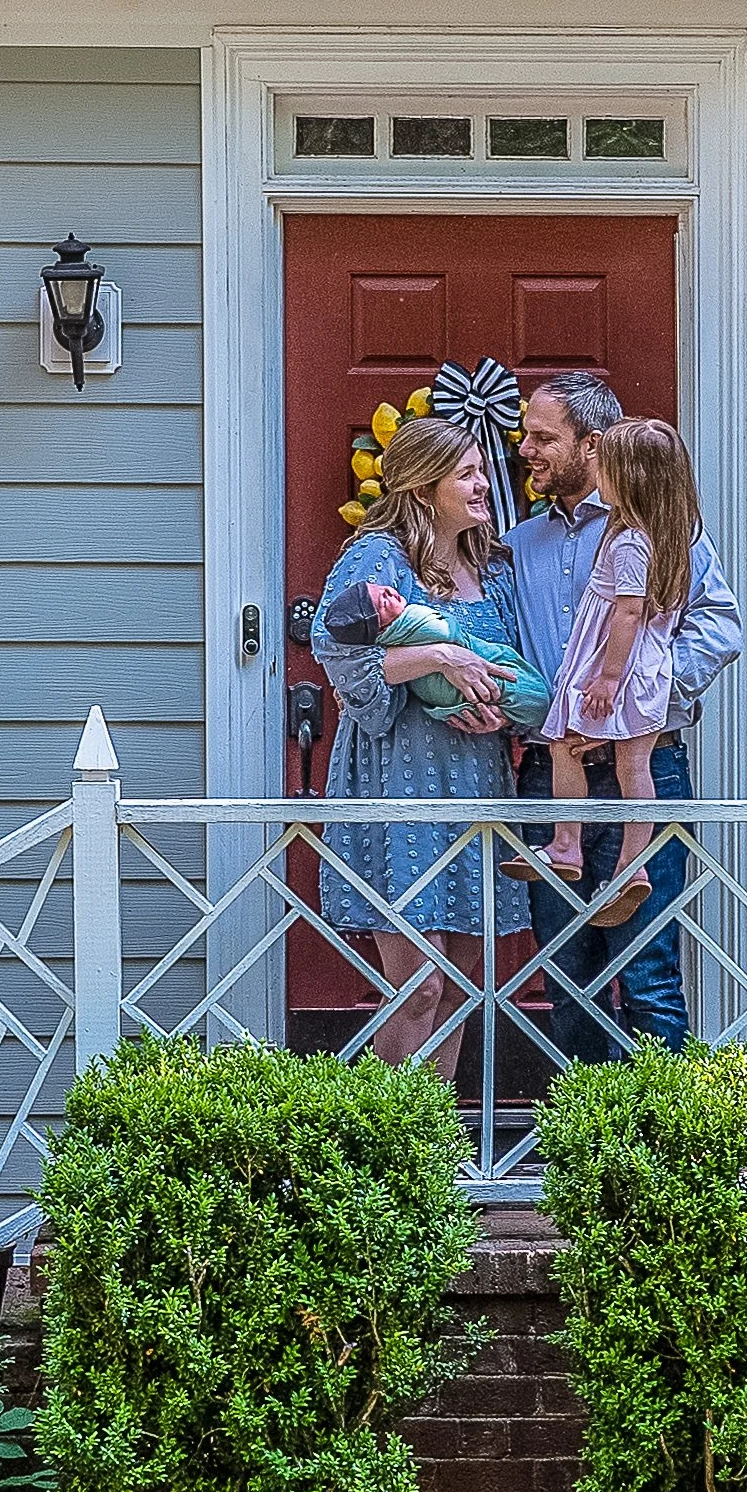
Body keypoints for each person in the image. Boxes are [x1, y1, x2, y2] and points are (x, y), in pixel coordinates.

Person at [508, 372, 743, 1061]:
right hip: (554, 778)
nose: (526, 449)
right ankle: (581, 1142)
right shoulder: (520, 546)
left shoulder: (660, 529)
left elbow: (720, 628)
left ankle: (658, 1148)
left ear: (593, 444)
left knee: (647, 971)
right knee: (564, 969)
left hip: (646, 764)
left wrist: (637, 705)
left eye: (543, 436)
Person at [310, 416, 531, 1075]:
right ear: (424, 483)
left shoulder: (492, 566)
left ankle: (437, 1152)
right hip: (399, 782)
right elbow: (335, 645)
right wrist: (437, 653)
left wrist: (496, 708)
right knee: (420, 985)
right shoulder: (377, 557)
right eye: (468, 473)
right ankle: (384, 1147)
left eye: (483, 470)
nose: (484, 483)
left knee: (458, 989)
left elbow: (510, 664)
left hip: (474, 781)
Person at [536, 419, 702, 928]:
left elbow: (627, 612)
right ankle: (631, 865)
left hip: (618, 669)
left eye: (605, 466)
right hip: (647, 673)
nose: (597, 474)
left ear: (628, 478)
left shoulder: (629, 542)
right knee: (634, 769)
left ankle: (569, 842)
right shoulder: (669, 537)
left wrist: (606, 679)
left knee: (567, 745)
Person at [319, 576, 553, 734]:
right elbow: (342, 658)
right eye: (382, 601)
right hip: (415, 755)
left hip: (483, 750)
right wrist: (441, 655)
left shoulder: (494, 565)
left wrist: (505, 716)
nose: (388, 592)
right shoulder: (380, 553)